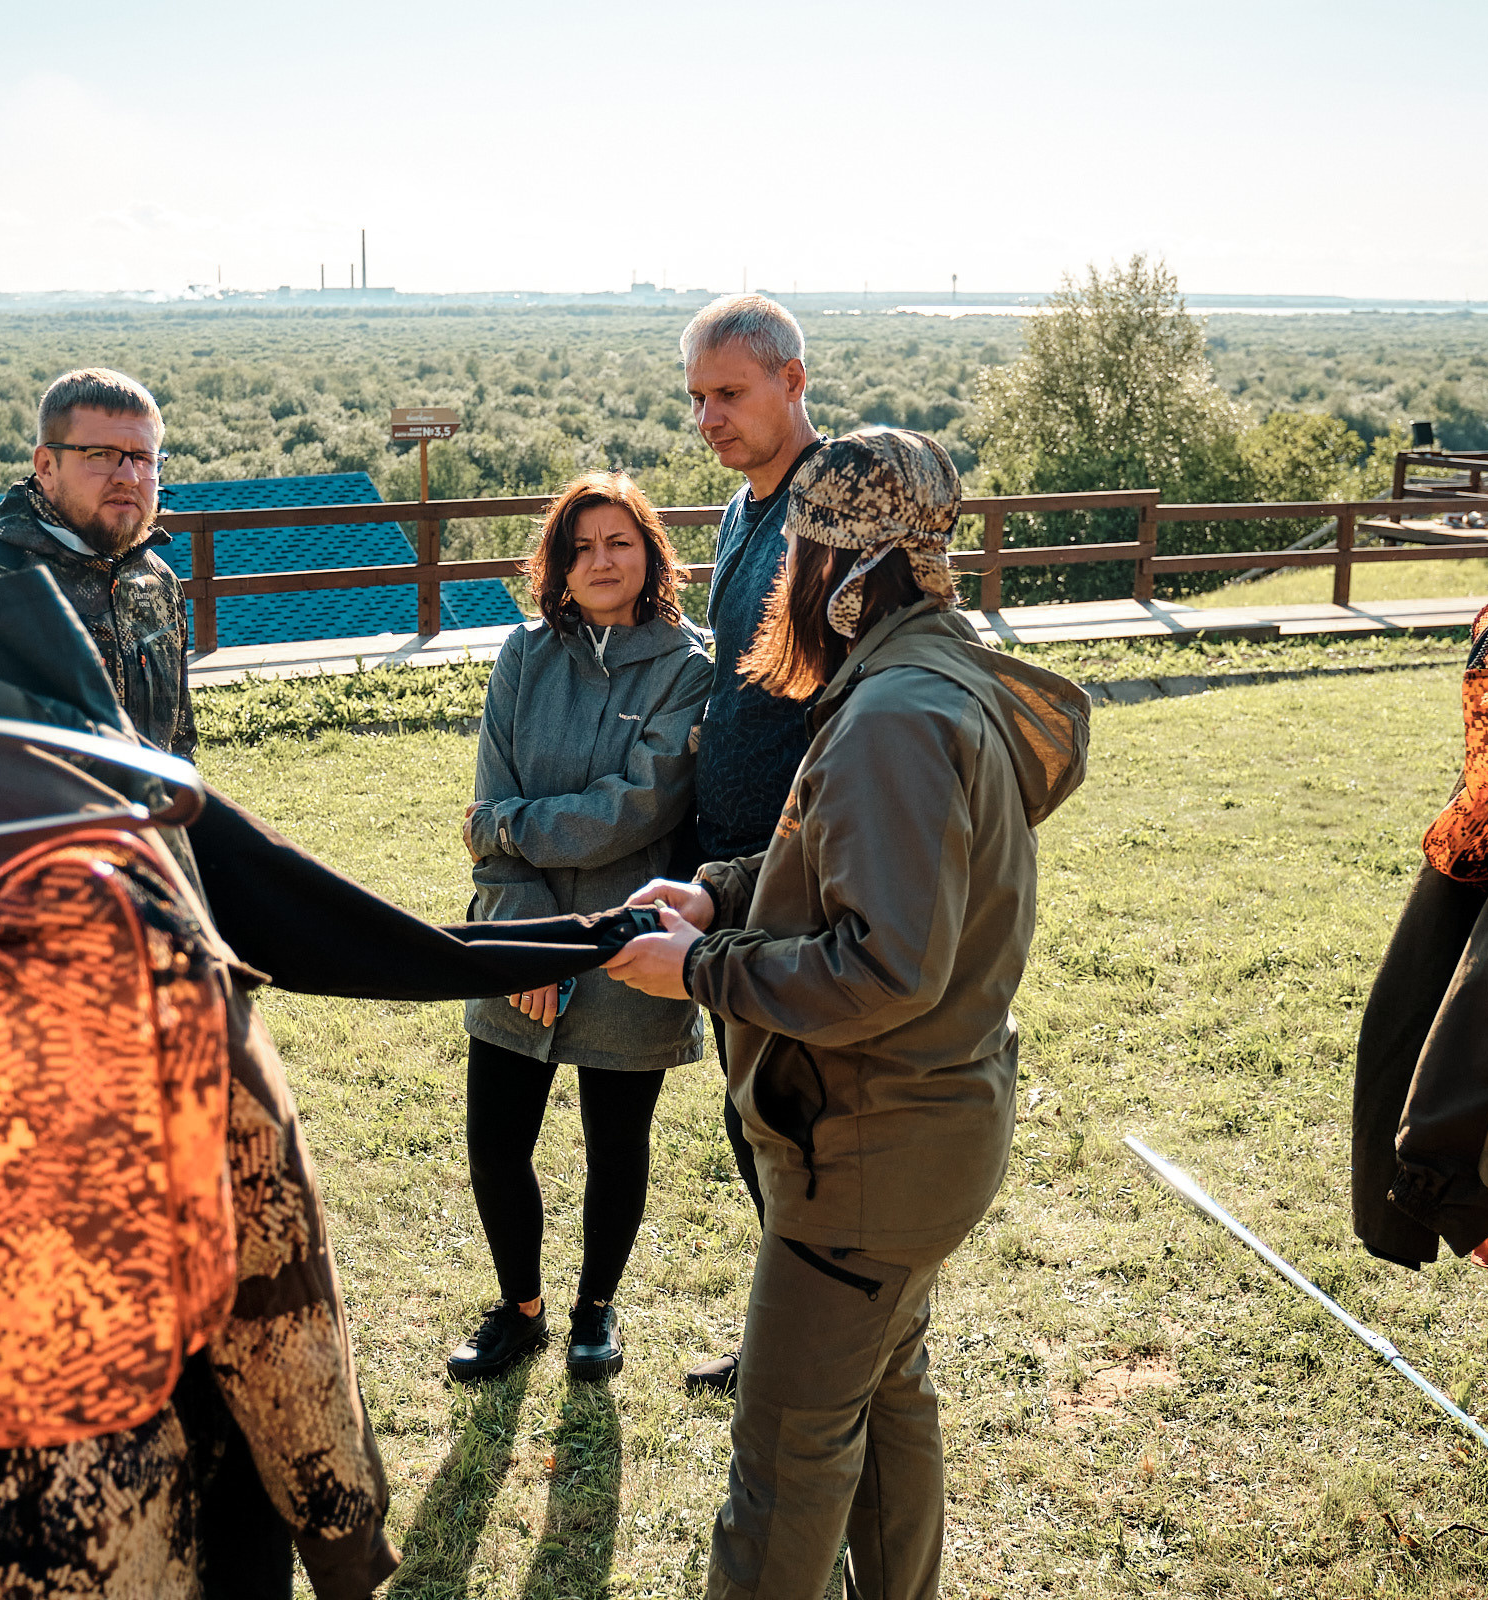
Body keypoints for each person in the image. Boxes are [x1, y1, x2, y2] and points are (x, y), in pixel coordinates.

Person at [607, 429, 1088, 1600]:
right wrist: (719, 889)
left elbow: (884, 966)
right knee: (887, 1400)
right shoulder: (935, 672)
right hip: (922, 1139)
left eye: (802, 552)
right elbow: (867, 870)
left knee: (784, 1462)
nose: (786, 584)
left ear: (848, 565)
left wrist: (702, 968)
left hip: (868, 1151)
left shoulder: (892, 714)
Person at [448, 470, 715, 1385]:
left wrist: (519, 822)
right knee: (495, 1139)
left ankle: (594, 1311)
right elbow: (493, 791)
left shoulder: (689, 669)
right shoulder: (523, 657)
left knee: (617, 1142)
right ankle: (519, 1308)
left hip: (631, 938)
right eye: (581, 546)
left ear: (650, 556)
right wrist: (530, 940)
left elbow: (634, 811)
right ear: (556, 565)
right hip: (518, 929)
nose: (601, 561)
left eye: (619, 543)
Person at [674, 293, 826, 1395]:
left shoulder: (835, 510)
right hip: (727, 861)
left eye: (730, 393)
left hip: (803, 866)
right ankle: (786, 1326)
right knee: (749, 1110)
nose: (710, 417)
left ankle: (824, 1340)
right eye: (696, 398)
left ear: (793, 382)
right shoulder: (739, 510)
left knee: (802, 1116)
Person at [0, 367, 196, 756]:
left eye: (143, 458)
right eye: (101, 455)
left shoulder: (157, 581)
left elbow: (180, 746)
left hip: (153, 817)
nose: (128, 477)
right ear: (46, 467)